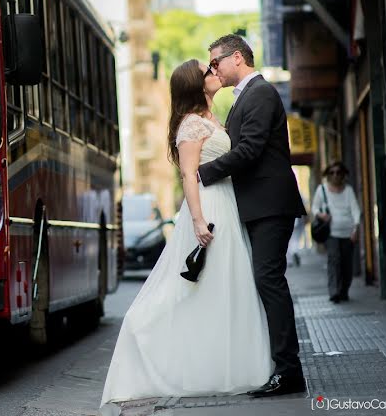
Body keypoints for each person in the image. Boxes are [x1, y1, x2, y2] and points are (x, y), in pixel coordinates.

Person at [100, 59, 272, 413]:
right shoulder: (190, 125)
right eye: (207, 71)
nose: (214, 73)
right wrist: (197, 221)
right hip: (208, 208)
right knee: (191, 287)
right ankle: (140, 337)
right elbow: (188, 176)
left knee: (226, 287)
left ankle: (229, 364)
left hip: (227, 205)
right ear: (195, 84)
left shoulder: (211, 118)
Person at [198, 34, 307, 398]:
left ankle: (289, 371)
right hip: (257, 205)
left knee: (268, 281)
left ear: (238, 58)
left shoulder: (260, 93)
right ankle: (277, 365)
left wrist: (205, 172)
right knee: (263, 282)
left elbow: (250, 149)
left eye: (216, 62)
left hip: (270, 204)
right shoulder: (245, 97)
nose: (214, 69)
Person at [311, 161, 360, 303]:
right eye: (332, 172)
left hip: (348, 233)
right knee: (334, 260)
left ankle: (344, 291)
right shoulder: (322, 190)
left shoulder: (348, 190)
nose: (335, 175)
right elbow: (314, 208)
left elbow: (356, 211)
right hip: (331, 233)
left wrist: (356, 229)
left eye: (338, 172)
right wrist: (321, 215)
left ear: (344, 174)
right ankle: (334, 292)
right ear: (327, 175)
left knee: (346, 264)